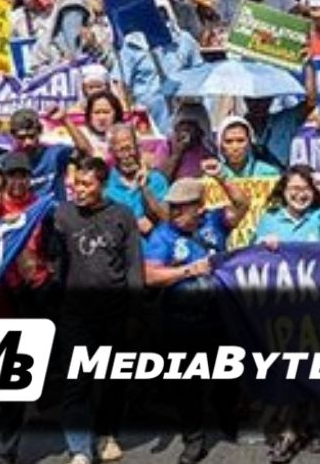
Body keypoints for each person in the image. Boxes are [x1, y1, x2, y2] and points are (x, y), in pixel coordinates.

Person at [46, 157, 144, 464]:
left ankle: (106, 434)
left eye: (87, 184)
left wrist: (134, 314)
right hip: (75, 314)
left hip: (115, 312)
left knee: (112, 381)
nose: (80, 190)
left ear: (102, 185)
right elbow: (53, 260)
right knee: (77, 382)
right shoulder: (62, 214)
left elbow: (134, 265)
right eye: (77, 184)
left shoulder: (122, 215)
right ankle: (80, 448)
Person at [144, 177, 241, 464]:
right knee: (187, 383)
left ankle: (226, 415)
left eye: (181, 207)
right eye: (172, 207)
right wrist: (187, 271)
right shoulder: (163, 235)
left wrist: (221, 178)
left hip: (220, 315)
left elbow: (242, 204)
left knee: (228, 374)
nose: (174, 213)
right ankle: (194, 438)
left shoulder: (215, 221)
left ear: (199, 207)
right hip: (181, 318)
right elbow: (150, 275)